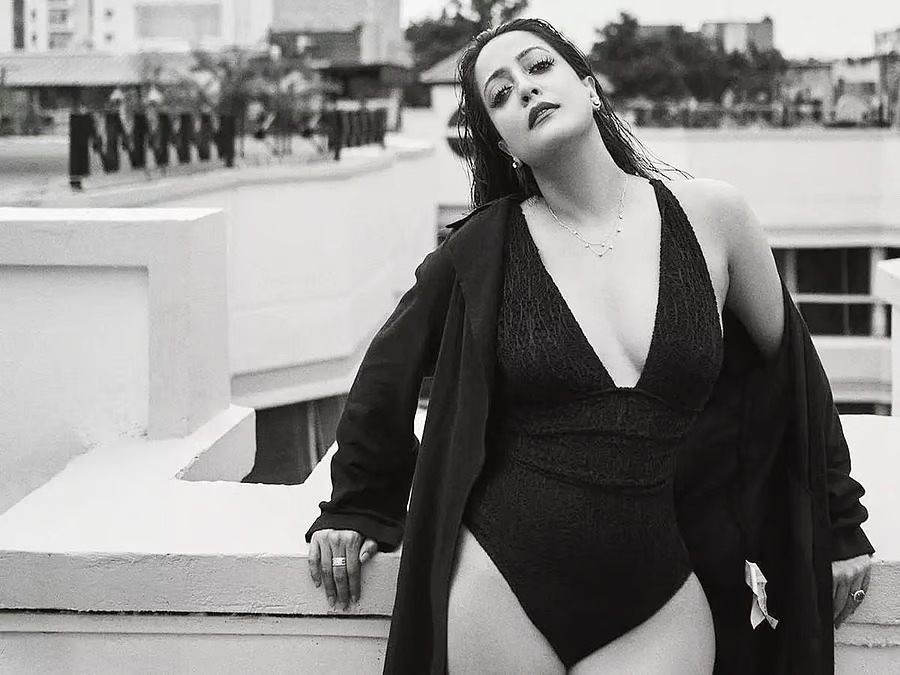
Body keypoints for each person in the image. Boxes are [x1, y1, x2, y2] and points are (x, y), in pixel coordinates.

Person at [305, 17, 874, 675]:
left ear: (589, 86)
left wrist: (839, 522)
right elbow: (385, 375)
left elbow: (793, 370)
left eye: (538, 67)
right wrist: (357, 505)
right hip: (501, 584)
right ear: (503, 141)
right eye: (500, 93)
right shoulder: (482, 251)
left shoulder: (713, 217)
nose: (525, 88)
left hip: (659, 597)